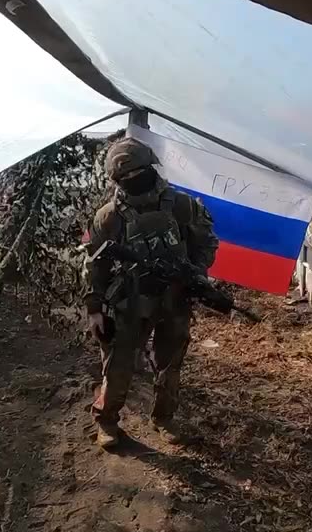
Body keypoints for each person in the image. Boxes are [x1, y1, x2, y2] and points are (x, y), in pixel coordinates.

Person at [82, 137, 218, 450]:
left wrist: (195, 273)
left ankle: (163, 418)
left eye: (139, 174)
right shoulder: (108, 217)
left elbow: (206, 243)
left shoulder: (183, 206)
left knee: (169, 365)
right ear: (116, 181)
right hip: (129, 302)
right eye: (125, 179)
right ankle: (106, 421)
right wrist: (95, 309)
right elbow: (95, 265)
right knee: (117, 366)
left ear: (151, 168)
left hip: (174, 298)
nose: (134, 182)